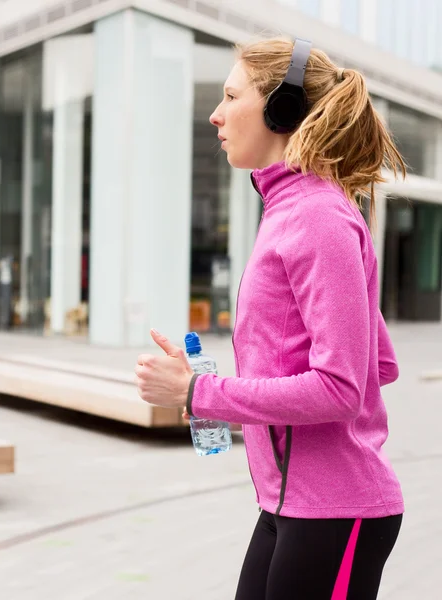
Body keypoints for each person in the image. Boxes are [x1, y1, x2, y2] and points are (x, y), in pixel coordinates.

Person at [134, 37, 405, 600]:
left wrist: (200, 393)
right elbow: (377, 362)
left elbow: (342, 388)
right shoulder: (294, 211)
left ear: (281, 111)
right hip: (291, 504)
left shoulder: (318, 218)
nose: (215, 114)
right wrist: (218, 384)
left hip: (336, 509)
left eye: (231, 96)